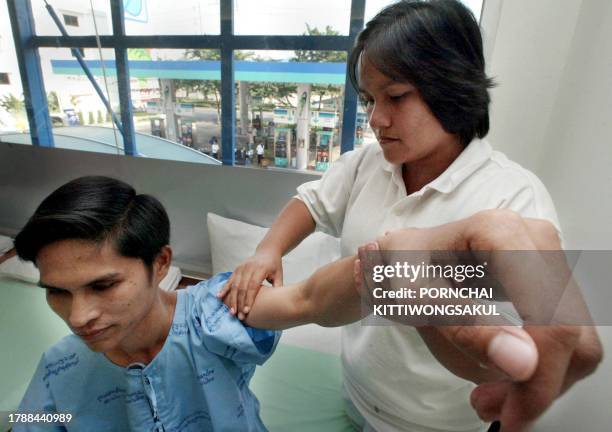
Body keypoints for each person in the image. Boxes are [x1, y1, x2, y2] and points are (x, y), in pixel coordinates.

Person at [220, 1, 598, 431]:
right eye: (369, 100)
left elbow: (498, 358)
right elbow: (311, 202)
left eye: (396, 96)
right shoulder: (367, 165)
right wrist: (268, 250)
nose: (377, 120)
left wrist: (419, 301)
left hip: (434, 423)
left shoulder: (514, 199)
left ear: (452, 84)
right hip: (358, 393)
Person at [11, 177, 600, 432]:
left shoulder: (216, 315)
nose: (80, 315)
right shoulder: (61, 370)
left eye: (103, 286)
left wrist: (392, 263)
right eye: (58, 293)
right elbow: (39, 420)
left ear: (161, 264)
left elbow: (312, 298)